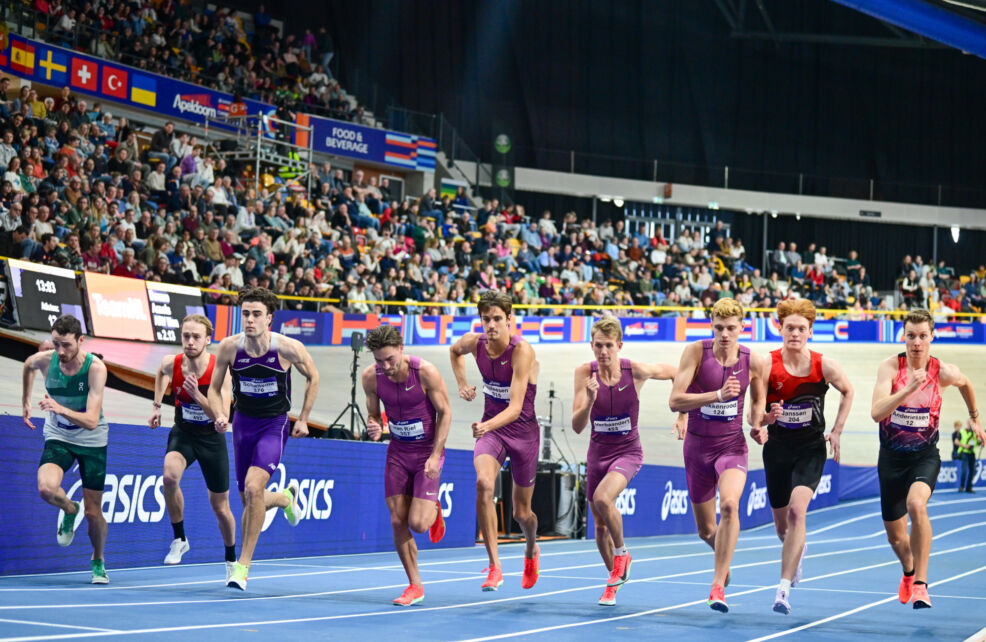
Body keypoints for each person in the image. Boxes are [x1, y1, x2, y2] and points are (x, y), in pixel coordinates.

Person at [870, 309, 985, 609]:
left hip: (924, 456)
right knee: (896, 539)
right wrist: (908, 388)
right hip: (891, 459)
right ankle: (909, 571)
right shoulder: (890, 368)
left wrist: (975, 418)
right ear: (903, 337)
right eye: (911, 336)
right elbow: (876, 413)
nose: (917, 342)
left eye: (923, 336)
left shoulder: (942, 372)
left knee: (916, 504)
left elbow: (966, 384)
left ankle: (921, 583)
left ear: (932, 337)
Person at [209, 287, 321, 590]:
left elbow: (313, 376)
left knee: (253, 487)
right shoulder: (229, 347)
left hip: (274, 424)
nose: (249, 320)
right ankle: (285, 498)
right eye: (245, 313)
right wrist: (219, 414)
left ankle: (243, 566)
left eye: (256, 314)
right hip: (242, 425)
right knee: (249, 498)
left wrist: (304, 418)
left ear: (269, 318)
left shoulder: (287, 348)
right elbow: (214, 388)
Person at [571, 317, 686, 606]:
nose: (603, 352)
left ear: (619, 345)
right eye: (598, 346)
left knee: (603, 498)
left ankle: (622, 554)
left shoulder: (635, 370)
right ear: (591, 345)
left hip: (628, 452)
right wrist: (589, 400)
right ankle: (613, 582)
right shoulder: (584, 373)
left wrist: (682, 413)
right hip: (597, 454)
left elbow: (677, 373)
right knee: (599, 528)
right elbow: (576, 426)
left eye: (609, 346)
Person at [669, 298, 768, 613]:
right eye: (719, 328)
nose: (724, 334)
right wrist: (717, 395)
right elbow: (675, 401)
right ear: (711, 326)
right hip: (697, 448)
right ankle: (723, 559)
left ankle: (716, 586)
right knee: (706, 530)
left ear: (742, 328)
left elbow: (757, 408)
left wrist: (761, 424)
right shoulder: (696, 352)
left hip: (732, 446)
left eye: (731, 328)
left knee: (729, 505)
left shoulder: (754, 361)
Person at [758, 300, 854, 615]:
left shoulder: (824, 365)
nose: (795, 334)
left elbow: (848, 390)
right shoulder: (766, 365)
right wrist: (764, 420)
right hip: (777, 449)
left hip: (811, 448)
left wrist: (837, 431)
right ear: (780, 329)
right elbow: (753, 413)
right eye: (790, 328)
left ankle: (782, 590)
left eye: (801, 328)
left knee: (798, 512)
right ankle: (797, 546)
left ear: (810, 332)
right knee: (782, 529)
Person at [450, 290, 541, 591]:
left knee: (521, 514)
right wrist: (462, 384)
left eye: (497, 319)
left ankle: (531, 547)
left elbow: (515, 408)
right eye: (486, 319)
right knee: (483, 484)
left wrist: (484, 425)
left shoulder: (521, 351)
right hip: (493, 431)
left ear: (509, 319)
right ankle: (494, 566)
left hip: (523, 433)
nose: (491, 325)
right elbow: (454, 351)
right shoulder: (474, 343)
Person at [362, 325, 451, 606]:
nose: (386, 366)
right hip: (398, 453)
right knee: (397, 520)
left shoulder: (425, 372)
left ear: (401, 349)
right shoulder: (371, 377)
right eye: (379, 361)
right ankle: (415, 585)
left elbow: (445, 413)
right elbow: (374, 415)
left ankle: (433, 509)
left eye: (390, 359)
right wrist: (374, 426)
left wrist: (435, 455)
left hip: (426, 453)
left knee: (418, 524)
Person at [21, 315, 110, 584]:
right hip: (59, 435)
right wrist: (25, 401)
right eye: (56, 344)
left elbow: (92, 421)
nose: (60, 351)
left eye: (67, 345)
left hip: (92, 440)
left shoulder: (96, 369)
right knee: (46, 489)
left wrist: (60, 408)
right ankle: (70, 510)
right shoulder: (46, 360)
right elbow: (28, 365)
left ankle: (97, 560)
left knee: (93, 513)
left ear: (81, 341)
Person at [149, 315, 237, 581]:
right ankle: (179, 539)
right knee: (169, 477)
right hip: (184, 433)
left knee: (220, 507)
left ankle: (231, 559)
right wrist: (156, 406)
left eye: (196, 337)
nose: (189, 341)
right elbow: (160, 373)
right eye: (186, 336)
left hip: (211, 439)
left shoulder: (220, 371)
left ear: (208, 339)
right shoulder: (172, 363)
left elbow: (222, 416)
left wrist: (198, 395)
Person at [957, 419, 981, 493]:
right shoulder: (962, 431)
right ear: (968, 423)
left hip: (972, 454)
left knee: (972, 471)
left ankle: (969, 487)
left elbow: (977, 443)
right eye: (970, 423)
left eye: (973, 423)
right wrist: (964, 446)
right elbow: (956, 441)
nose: (971, 425)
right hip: (964, 453)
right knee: (964, 470)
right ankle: (962, 486)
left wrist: (980, 441)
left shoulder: (975, 433)